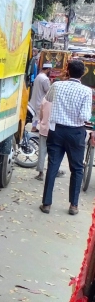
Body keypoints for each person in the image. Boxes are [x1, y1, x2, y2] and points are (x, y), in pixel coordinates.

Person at [40, 60, 93, 216]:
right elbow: (84, 116)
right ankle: (73, 205)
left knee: (53, 166)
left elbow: (48, 99)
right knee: (77, 169)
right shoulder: (86, 91)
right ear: (83, 73)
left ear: (67, 70)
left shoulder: (57, 85)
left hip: (56, 131)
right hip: (76, 132)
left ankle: (46, 203)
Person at [34, 97, 65, 181]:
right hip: (54, 129)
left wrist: (42, 121)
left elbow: (40, 114)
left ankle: (40, 173)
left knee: (42, 152)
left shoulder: (45, 99)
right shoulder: (60, 100)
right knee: (55, 152)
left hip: (44, 129)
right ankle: (54, 171)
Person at [29, 63, 52, 128]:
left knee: (36, 114)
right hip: (40, 99)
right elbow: (48, 90)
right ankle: (40, 129)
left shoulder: (38, 76)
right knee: (41, 115)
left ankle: (34, 127)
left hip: (35, 98)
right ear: (48, 69)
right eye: (50, 70)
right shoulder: (45, 79)